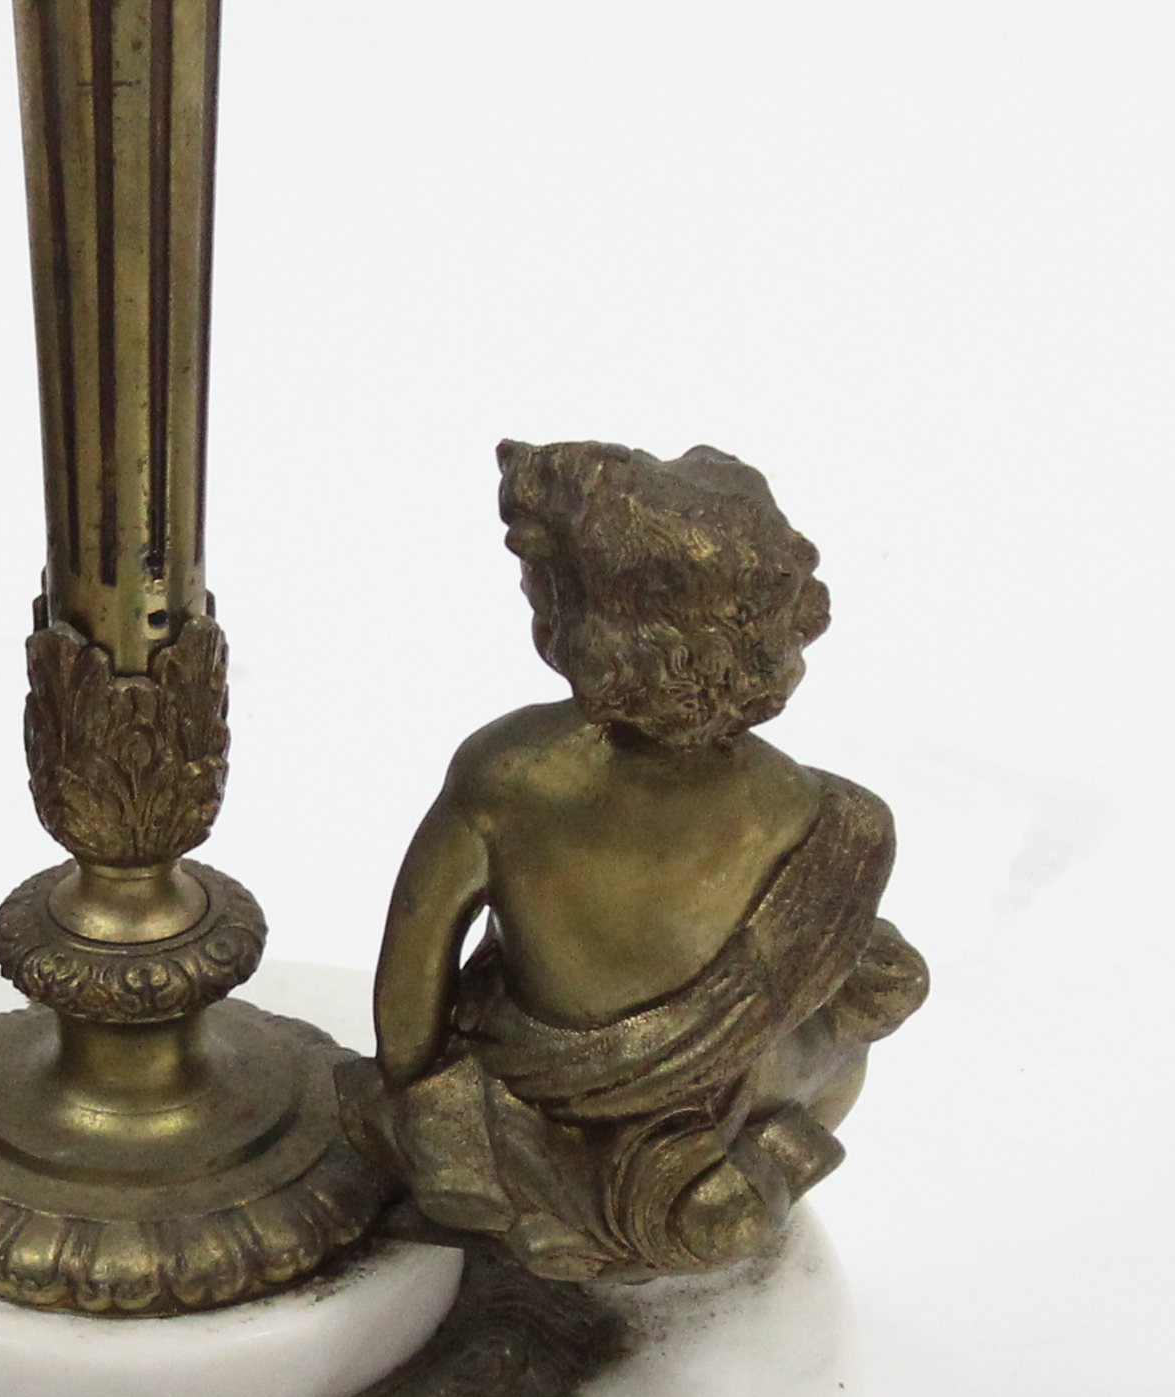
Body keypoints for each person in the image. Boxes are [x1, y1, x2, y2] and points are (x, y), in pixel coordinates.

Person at [372, 440, 927, 1283]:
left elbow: (410, 985)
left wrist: (416, 1101)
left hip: (533, 1116)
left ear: (574, 621)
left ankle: (627, 1184)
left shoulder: (508, 773)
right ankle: (738, 1174)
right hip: (748, 1102)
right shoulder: (829, 816)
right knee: (872, 981)